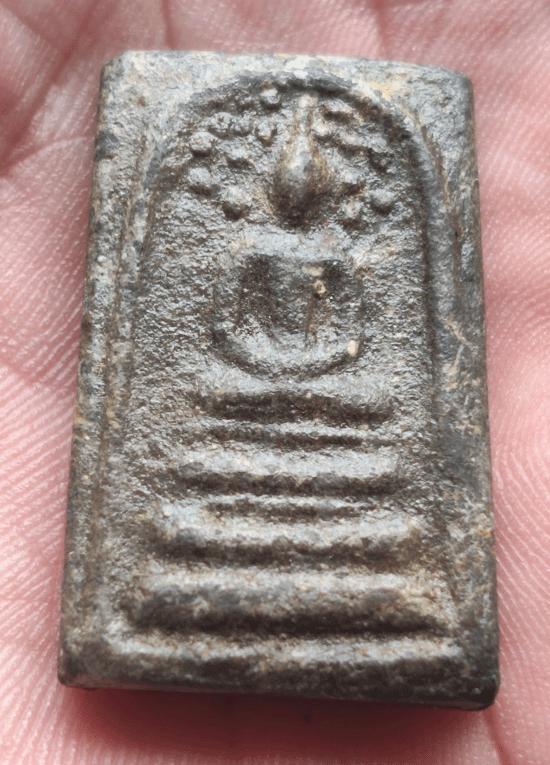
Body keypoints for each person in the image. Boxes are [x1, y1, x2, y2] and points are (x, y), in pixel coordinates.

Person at [0, 1, 548, 762]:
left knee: (370, 409)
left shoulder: (336, 250)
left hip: (327, 387)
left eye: (307, 185)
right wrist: (263, 364)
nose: (296, 193)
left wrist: (317, 366)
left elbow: (354, 338)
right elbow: (227, 332)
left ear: (320, 190)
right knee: (215, 408)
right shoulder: (249, 247)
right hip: (250, 384)